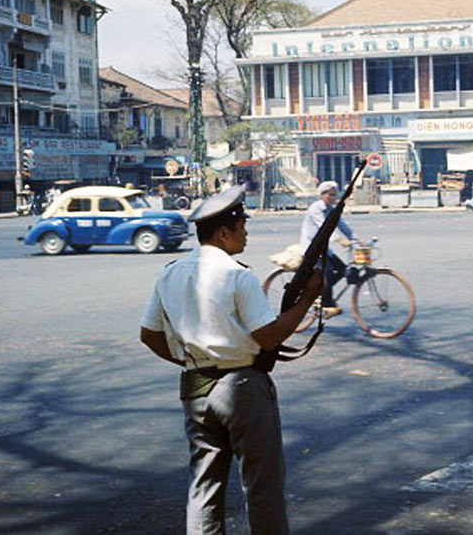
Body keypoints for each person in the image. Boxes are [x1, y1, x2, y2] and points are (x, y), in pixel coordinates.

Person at [140, 184, 324, 534]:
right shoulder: (237, 274)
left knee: (204, 486)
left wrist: (192, 360)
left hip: (196, 386)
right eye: (242, 229)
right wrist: (308, 298)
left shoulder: (169, 273)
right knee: (262, 486)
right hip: (241, 388)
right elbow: (268, 336)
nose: (247, 235)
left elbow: (149, 335)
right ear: (224, 233)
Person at [300, 181, 357, 318]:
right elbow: (324, 227)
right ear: (322, 195)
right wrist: (339, 240)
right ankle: (325, 305)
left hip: (324, 250)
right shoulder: (316, 209)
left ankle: (321, 291)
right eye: (330, 195)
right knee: (326, 273)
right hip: (312, 250)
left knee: (344, 270)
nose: (333, 198)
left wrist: (355, 238)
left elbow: (341, 225)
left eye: (334, 195)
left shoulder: (332, 209)